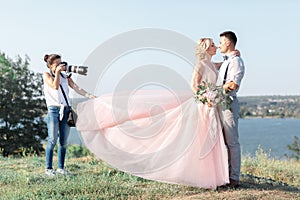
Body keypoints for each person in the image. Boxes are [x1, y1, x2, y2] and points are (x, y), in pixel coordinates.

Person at [76, 38, 231, 189]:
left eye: (215, 45)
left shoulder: (211, 63)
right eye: (212, 45)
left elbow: (222, 64)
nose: (216, 46)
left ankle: (213, 176)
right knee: (199, 138)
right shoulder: (200, 65)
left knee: (210, 138)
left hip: (210, 106)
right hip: (202, 106)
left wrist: (232, 56)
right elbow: (194, 87)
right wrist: (206, 98)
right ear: (205, 48)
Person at [43, 54, 95, 176]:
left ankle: (61, 168)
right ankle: (49, 169)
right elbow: (55, 86)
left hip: (66, 110)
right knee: (52, 140)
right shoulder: (47, 75)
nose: (61, 66)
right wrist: (57, 73)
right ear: (50, 66)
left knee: (63, 141)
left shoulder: (64, 76)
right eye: (57, 64)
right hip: (53, 110)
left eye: (61, 63)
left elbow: (76, 87)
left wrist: (90, 96)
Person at [216, 31, 245, 188]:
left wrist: (215, 91)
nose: (219, 44)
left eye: (220, 42)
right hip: (219, 105)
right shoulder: (227, 61)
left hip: (228, 105)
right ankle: (223, 175)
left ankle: (234, 179)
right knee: (220, 141)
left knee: (232, 142)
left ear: (228, 43)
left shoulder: (236, 62)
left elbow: (233, 84)